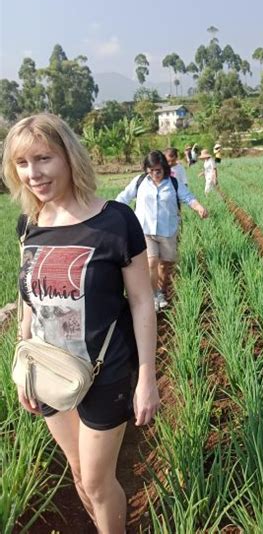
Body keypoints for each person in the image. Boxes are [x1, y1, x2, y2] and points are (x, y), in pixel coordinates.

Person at [2, 113, 160, 534]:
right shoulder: (29, 226)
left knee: (96, 479)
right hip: (50, 369)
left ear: (69, 157)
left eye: (43, 158)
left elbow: (143, 302)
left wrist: (148, 377)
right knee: (76, 472)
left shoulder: (115, 221)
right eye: (22, 164)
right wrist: (24, 367)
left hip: (106, 371)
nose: (33, 174)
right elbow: (29, 301)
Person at [116, 150, 208, 311]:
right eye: (150, 170)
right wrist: (110, 212)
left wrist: (199, 207)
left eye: (157, 170)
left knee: (166, 265)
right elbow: (124, 197)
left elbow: (188, 197)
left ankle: (162, 291)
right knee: (151, 262)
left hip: (168, 230)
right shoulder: (140, 181)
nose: (154, 174)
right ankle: (153, 296)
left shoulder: (173, 183)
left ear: (164, 168)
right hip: (145, 229)